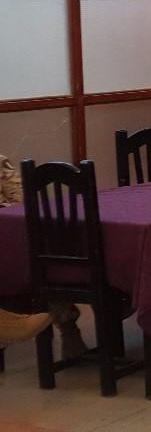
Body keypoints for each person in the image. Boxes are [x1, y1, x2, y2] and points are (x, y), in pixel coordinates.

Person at [2, 153, 86, 359]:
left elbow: (24, 200)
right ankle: (7, 324)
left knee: (47, 252)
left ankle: (67, 325)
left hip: (12, 238)